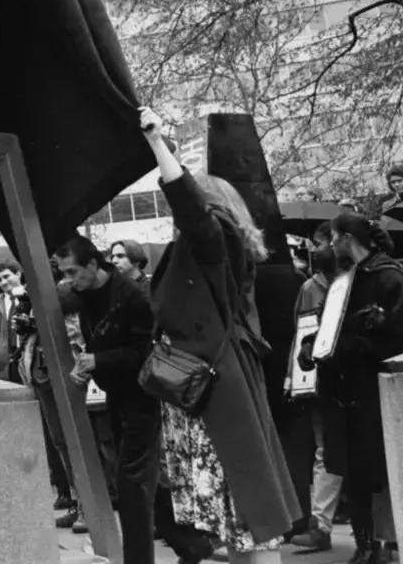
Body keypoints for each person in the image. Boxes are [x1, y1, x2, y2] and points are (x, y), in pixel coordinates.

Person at [141, 107, 299, 564]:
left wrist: (158, 146)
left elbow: (191, 211)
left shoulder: (214, 239)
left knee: (245, 509)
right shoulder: (216, 250)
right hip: (208, 380)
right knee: (239, 517)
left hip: (213, 384)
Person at [302, 211, 403, 564]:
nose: (330, 247)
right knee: (353, 473)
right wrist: (312, 346)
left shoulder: (388, 277)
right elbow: (325, 324)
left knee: (378, 472)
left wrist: (347, 342)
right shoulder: (342, 279)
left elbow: (396, 340)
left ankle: (390, 544)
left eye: (333, 239)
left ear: (347, 239)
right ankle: (365, 544)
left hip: (372, 395)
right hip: (342, 392)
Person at [56, 235, 161, 564]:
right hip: (113, 393)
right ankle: (187, 542)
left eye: (74, 272)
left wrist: (98, 361)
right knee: (136, 479)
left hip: (143, 395)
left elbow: (143, 352)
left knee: (131, 485)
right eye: (64, 273)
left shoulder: (133, 296)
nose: (71, 280)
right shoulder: (81, 293)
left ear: (93, 264)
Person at [288, 224, 345, 554]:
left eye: (321, 243)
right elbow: (301, 332)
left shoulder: (354, 281)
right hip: (320, 381)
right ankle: (320, 526)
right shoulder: (309, 286)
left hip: (348, 378)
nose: (315, 250)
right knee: (324, 452)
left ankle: (381, 532)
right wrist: (294, 378)